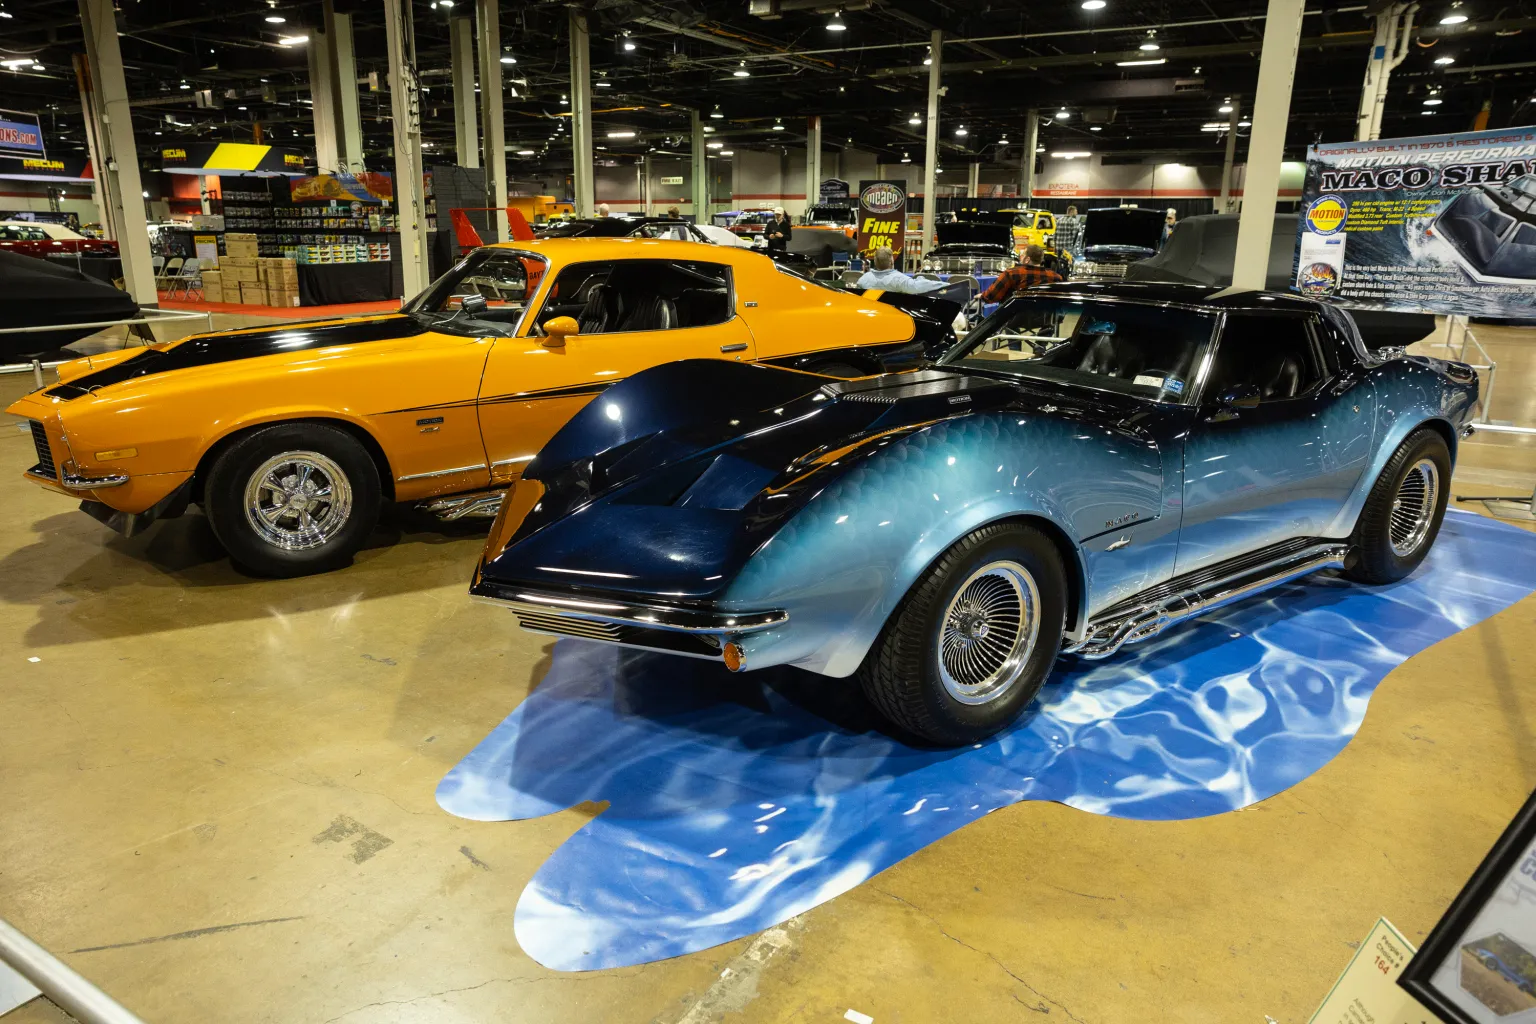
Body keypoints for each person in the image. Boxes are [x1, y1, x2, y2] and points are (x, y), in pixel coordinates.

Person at [981, 244, 1063, 303]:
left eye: (1022, 255)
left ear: (1027, 259)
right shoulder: (1056, 278)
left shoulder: (1011, 274)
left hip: (1015, 320)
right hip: (1045, 320)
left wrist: (982, 296)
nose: (1020, 257)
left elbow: (991, 296)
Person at [855, 247, 943, 294]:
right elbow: (920, 287)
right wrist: (947, 285)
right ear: (892, 261)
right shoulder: (898, 279)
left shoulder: (863, 279)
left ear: (875, 261)